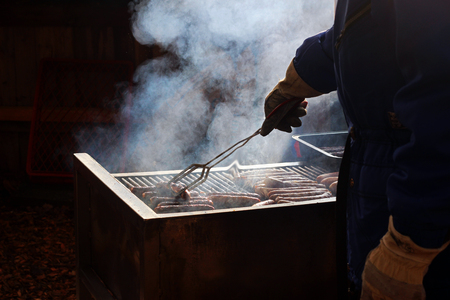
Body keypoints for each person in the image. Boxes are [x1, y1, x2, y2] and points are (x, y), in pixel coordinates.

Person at [260, 0, 450, 299]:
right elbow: (360, 31)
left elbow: (442, 103)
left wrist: (410, 246)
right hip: (381, 184)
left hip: (425, 206)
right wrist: (299, 78)